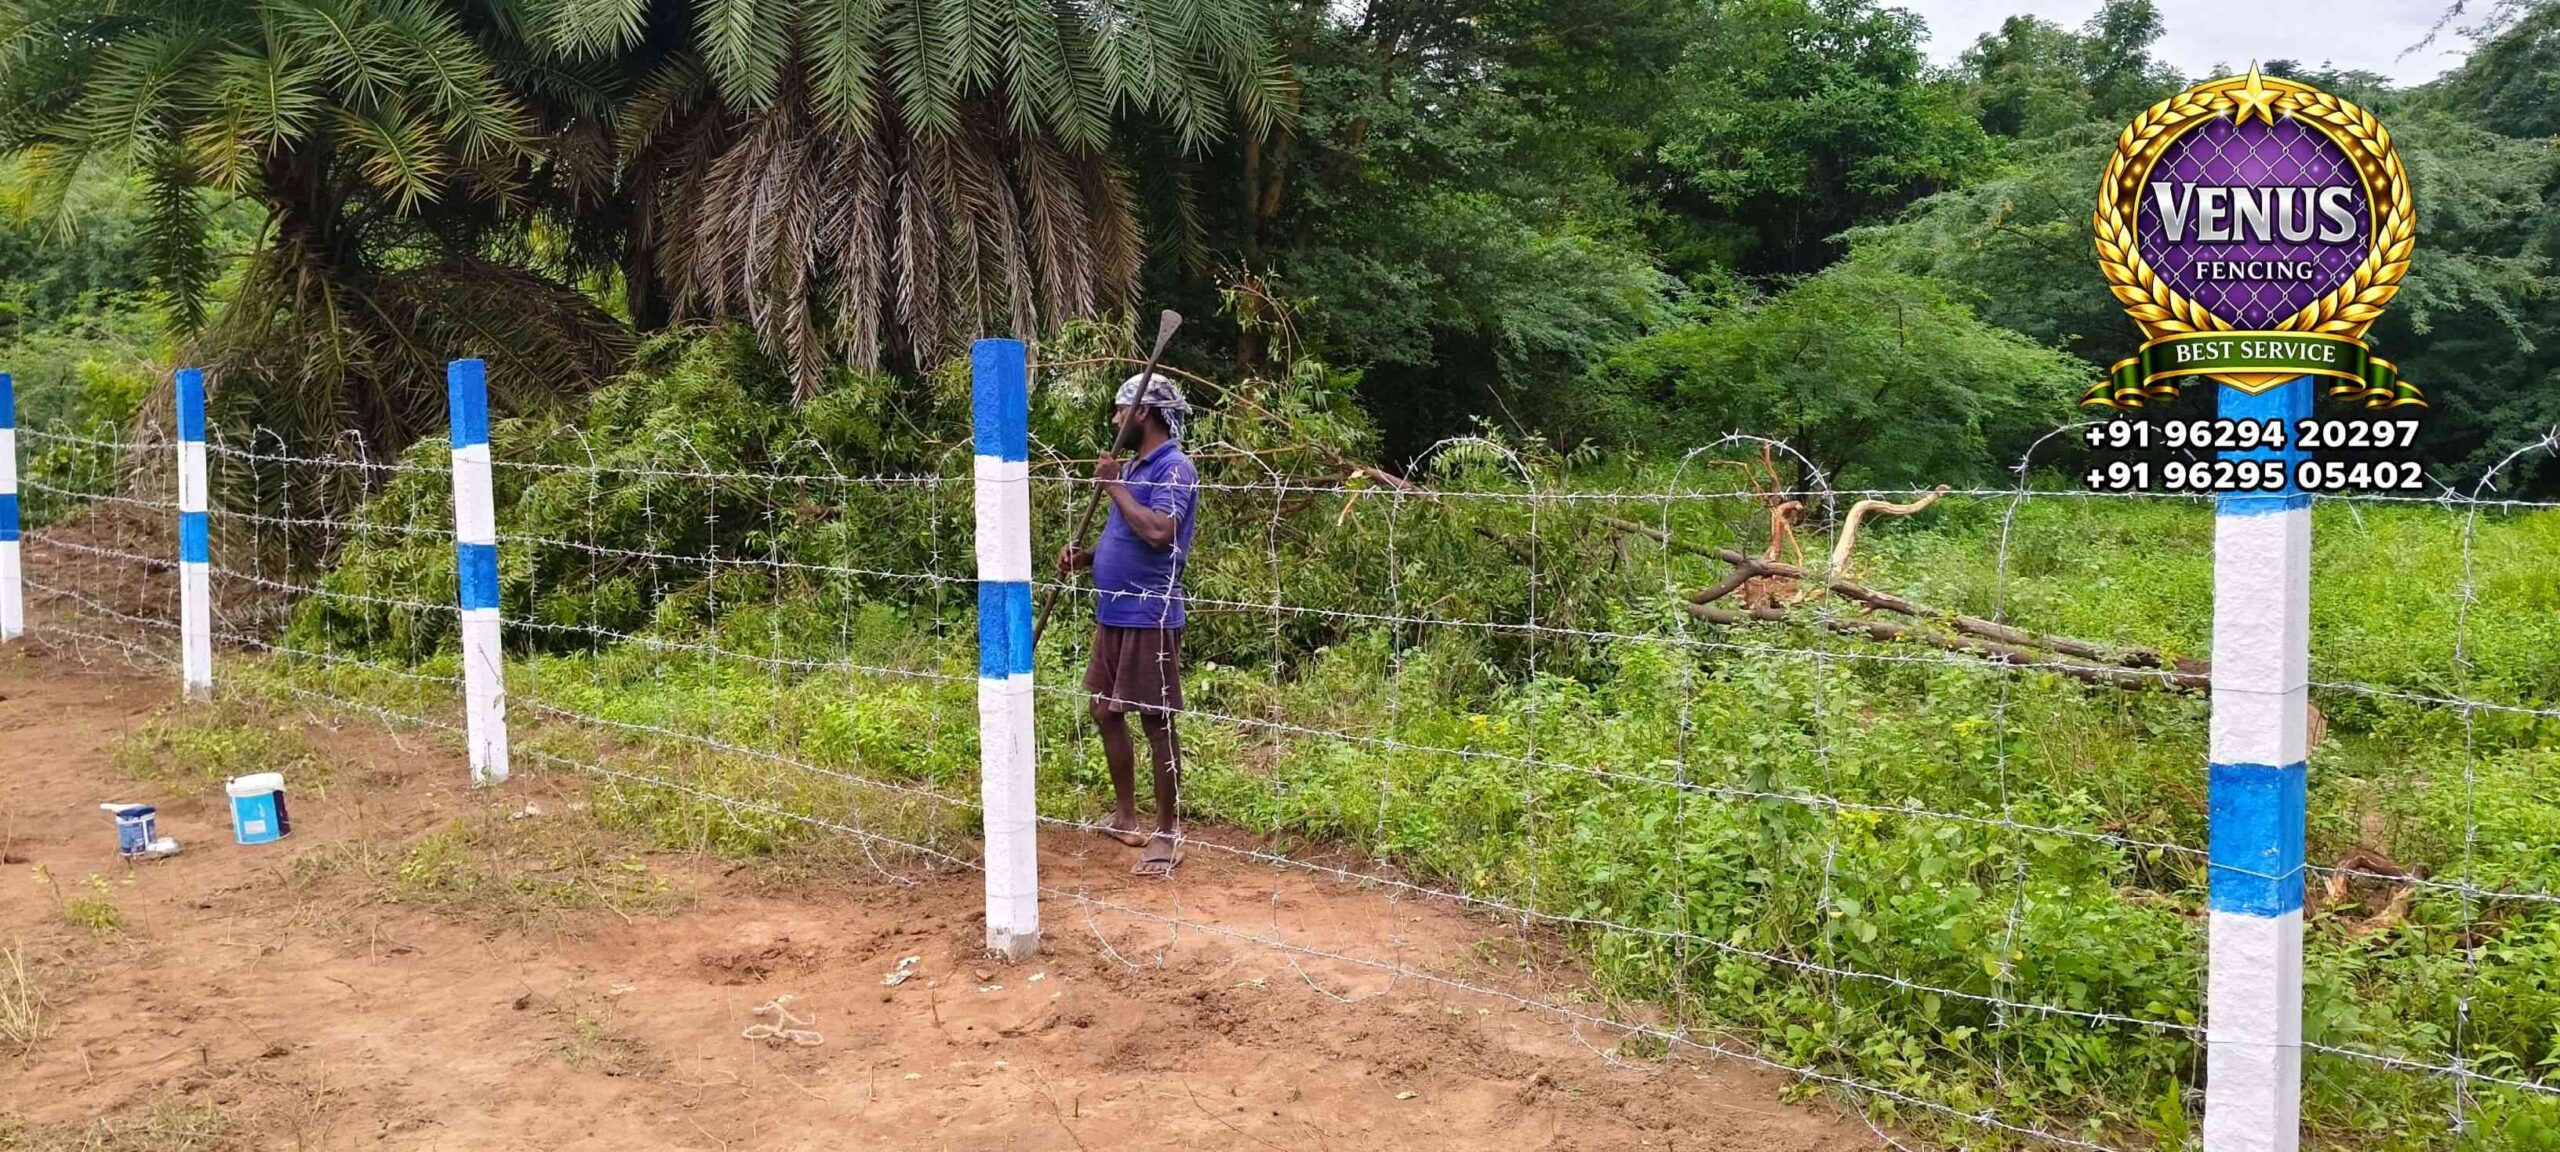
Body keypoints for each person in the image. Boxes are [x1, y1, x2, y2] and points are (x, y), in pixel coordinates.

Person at [1056, 373, 1199, 878]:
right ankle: (1125, 815)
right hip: (1112, 611)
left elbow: (1160, 532)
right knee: (1104, 710)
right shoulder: (1136, 465)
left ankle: (1167, 833)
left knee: (1156, 720)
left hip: (1149, 614)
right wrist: (1088, 557)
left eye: (1120, 410)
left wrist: (1114, 486)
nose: (1115, 419)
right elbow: (1128, 533)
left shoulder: (1175, 469)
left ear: (1143, 413)